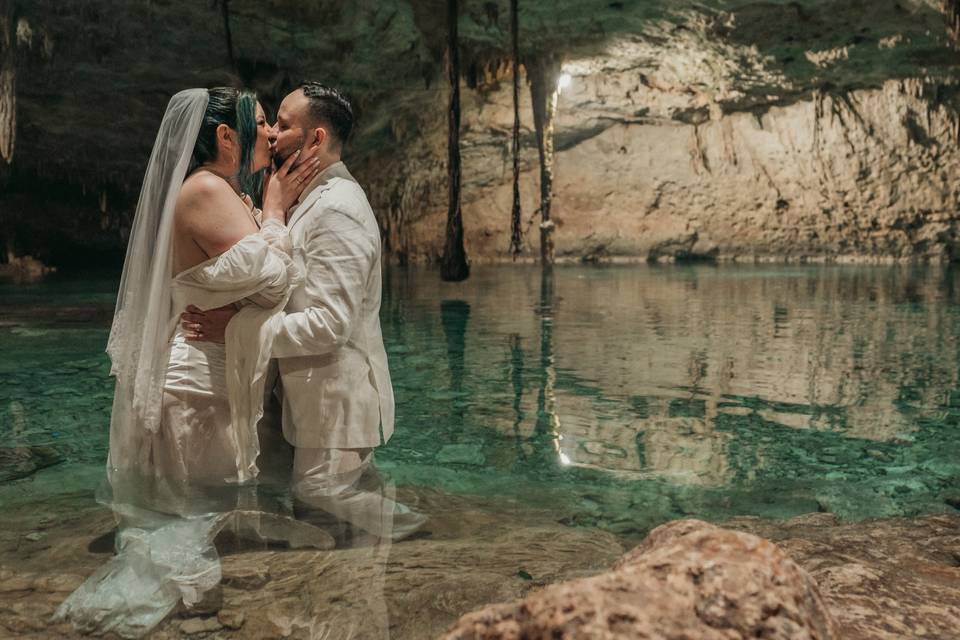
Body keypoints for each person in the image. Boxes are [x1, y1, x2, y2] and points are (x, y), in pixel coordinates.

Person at [54, 87, 326, 638]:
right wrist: (273, 210)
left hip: (212, 376)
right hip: (196, 383)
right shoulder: (204, 190)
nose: (271, 135)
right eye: (259, 123)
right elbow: (273, 278)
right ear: (226, 136)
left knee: (199, 512)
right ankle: (169, 614)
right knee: (191, 516)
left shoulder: (221, 190)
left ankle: (199, 613)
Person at [183, 83, 424, 541]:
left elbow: (330, 325)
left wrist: (235, 327)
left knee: (320, 490)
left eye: (284, 124)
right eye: (271, 123)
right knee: (318, 492)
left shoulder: (339, 209)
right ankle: (367, 551)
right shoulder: (310, 198)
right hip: (308, 392)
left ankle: (419, 534)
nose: (271, 133)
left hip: (336, 393)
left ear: (315, 139)